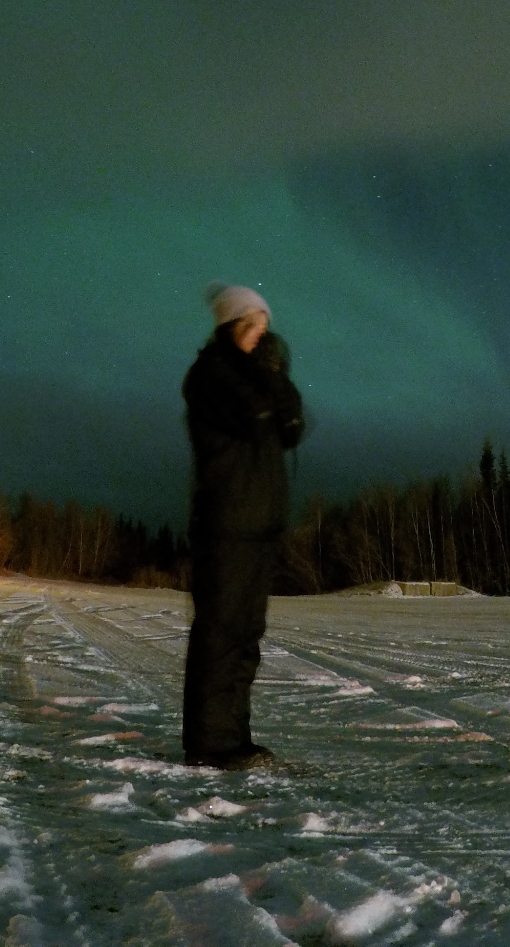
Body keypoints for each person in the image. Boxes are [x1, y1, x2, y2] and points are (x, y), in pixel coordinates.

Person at [180, 281, 305, 767]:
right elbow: (257, 417)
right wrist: (266, 375)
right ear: (230, 326)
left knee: (246, 634)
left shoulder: (254, 374)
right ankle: (210, 744)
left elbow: (290, 427)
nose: (260, 335)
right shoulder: (211, 374)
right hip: (225, 522)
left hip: (259, 525)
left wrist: (275, 370)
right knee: (221, 631)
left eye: (265, 327)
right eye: (251, 325)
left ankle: (233, 736)